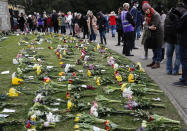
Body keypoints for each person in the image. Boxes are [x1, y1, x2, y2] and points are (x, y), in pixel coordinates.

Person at [142, 3, 164, 69]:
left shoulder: (156, 15)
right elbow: (145, 24)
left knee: (158, 48)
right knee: (154, 48)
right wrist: (148, 27)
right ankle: (154, 61)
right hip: (152, 33)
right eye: (144, 10)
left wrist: (147, 26)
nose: (146, 11)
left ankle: (157, 63)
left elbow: (154, 27)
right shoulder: (147, 15)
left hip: (159, 34)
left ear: (149, 8)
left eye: (146, 10)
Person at [173, 0, 187, 86]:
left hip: (185, 41)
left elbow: (179, 28)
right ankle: (184, 78)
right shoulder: (185, 15)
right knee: (184, 60)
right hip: (184, 40)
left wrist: (176, 19)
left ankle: (185, 80)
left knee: (185, 60)